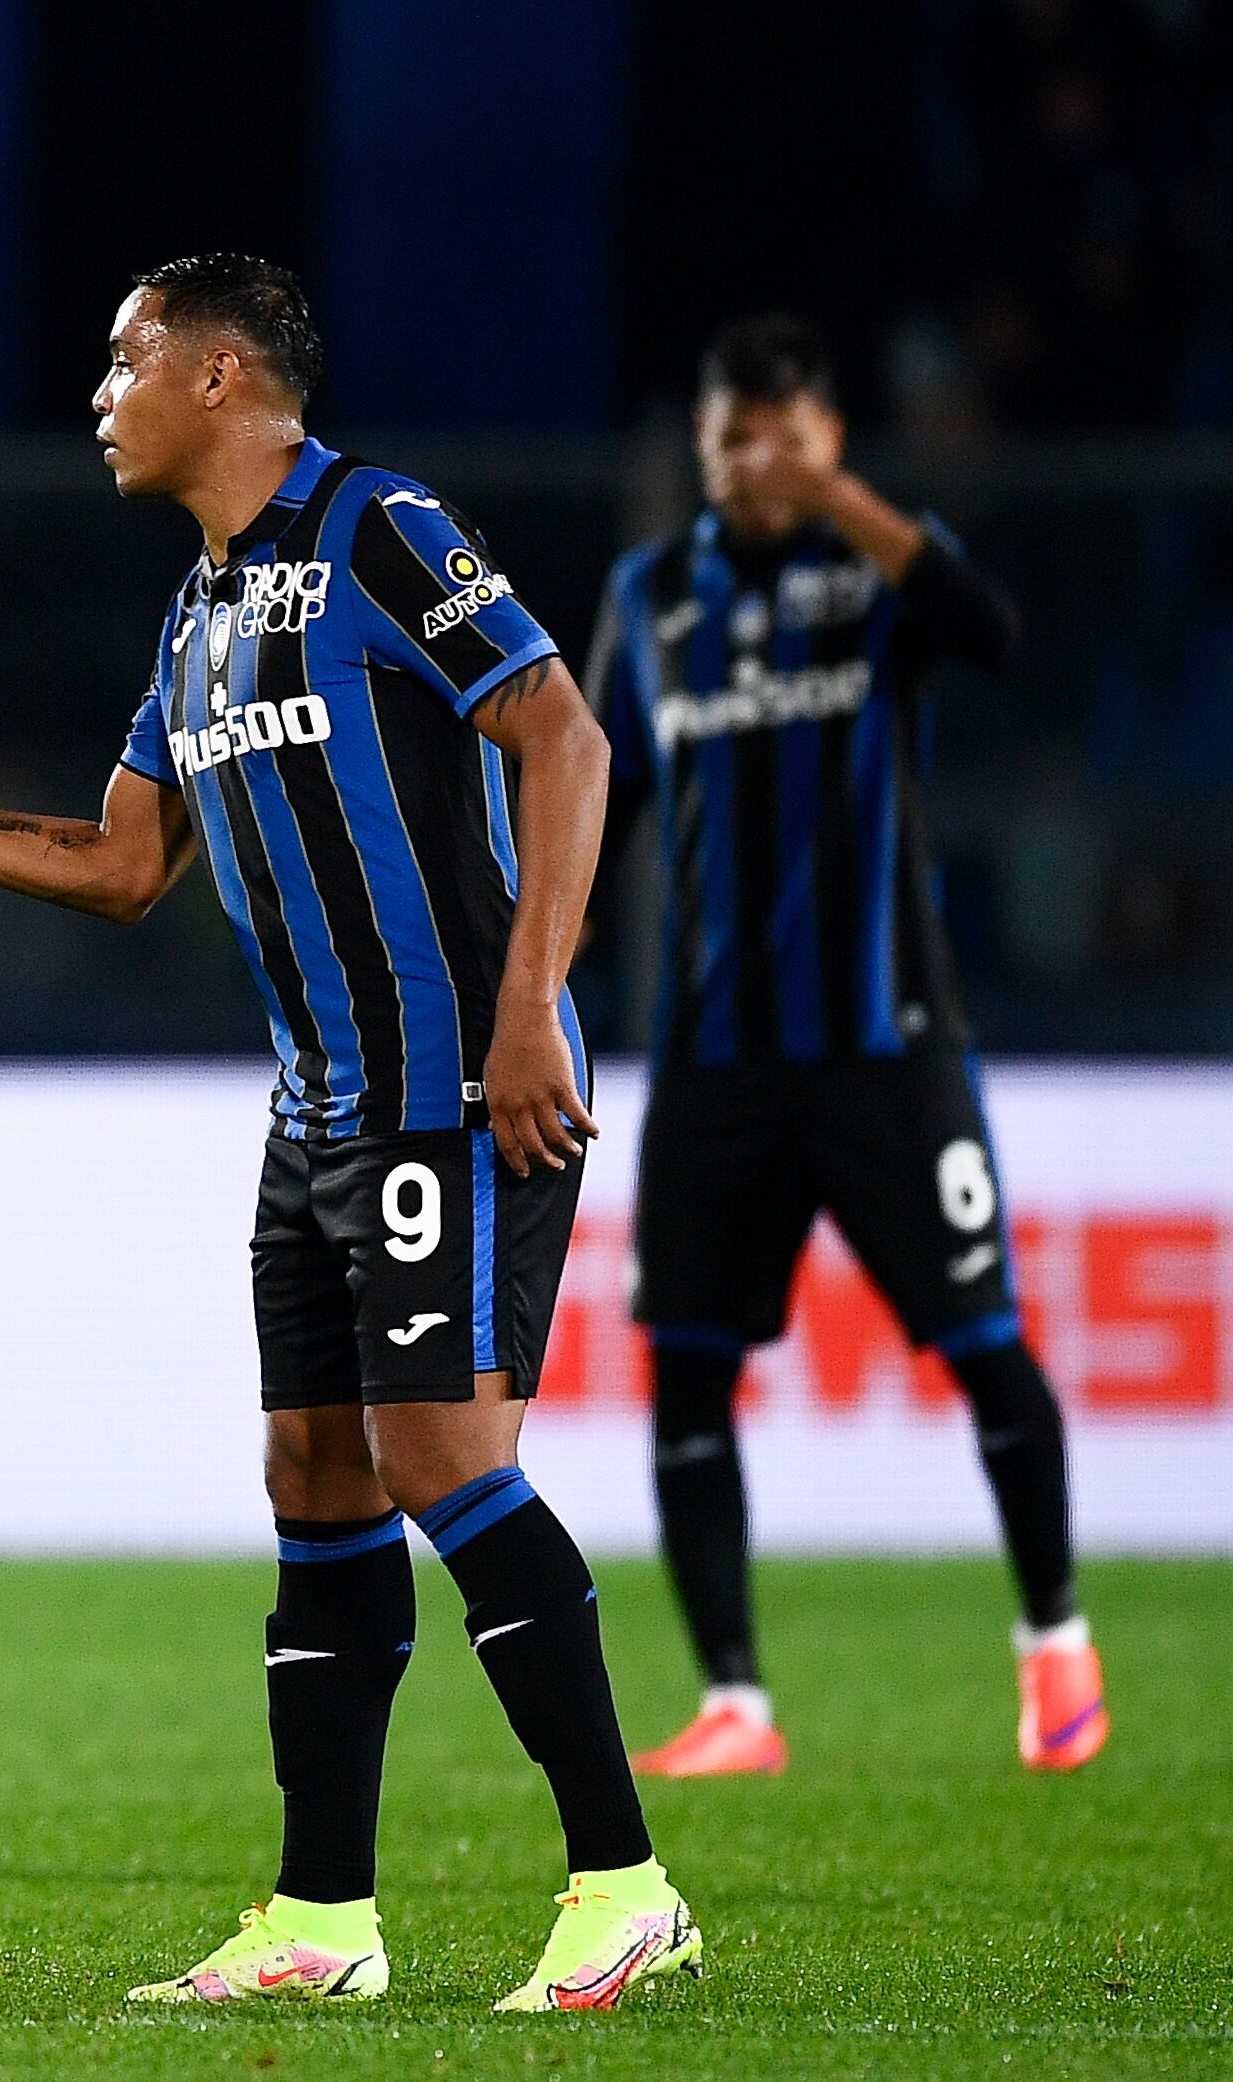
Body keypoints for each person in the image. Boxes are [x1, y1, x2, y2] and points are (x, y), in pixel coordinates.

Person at [0, 255, 700, 2013]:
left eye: (124, 359)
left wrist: (534, 998)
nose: (101, 394)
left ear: (221, 375)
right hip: (313, 1113)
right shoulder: (196, 615)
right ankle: (322, 1917)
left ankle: (625, 1883)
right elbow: (118, 864)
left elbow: (565, 734)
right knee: (316, 1476)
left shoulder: (381, 528)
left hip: (455, 1086)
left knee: (440, 1461)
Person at [587, 313, 1100, 1778]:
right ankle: (736, 1703)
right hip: (713, 1058)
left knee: (984, 1341)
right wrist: (539, 966)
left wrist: (844, 502)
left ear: (828, 442)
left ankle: (1055, 1638)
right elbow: (601, 801)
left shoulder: (873, 571)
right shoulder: (650, 595)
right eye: (730, 438)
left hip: (889, 1047)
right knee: (688, 1366)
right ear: (701, 449)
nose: (754, 463)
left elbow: (994, 635)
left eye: (784, 438)